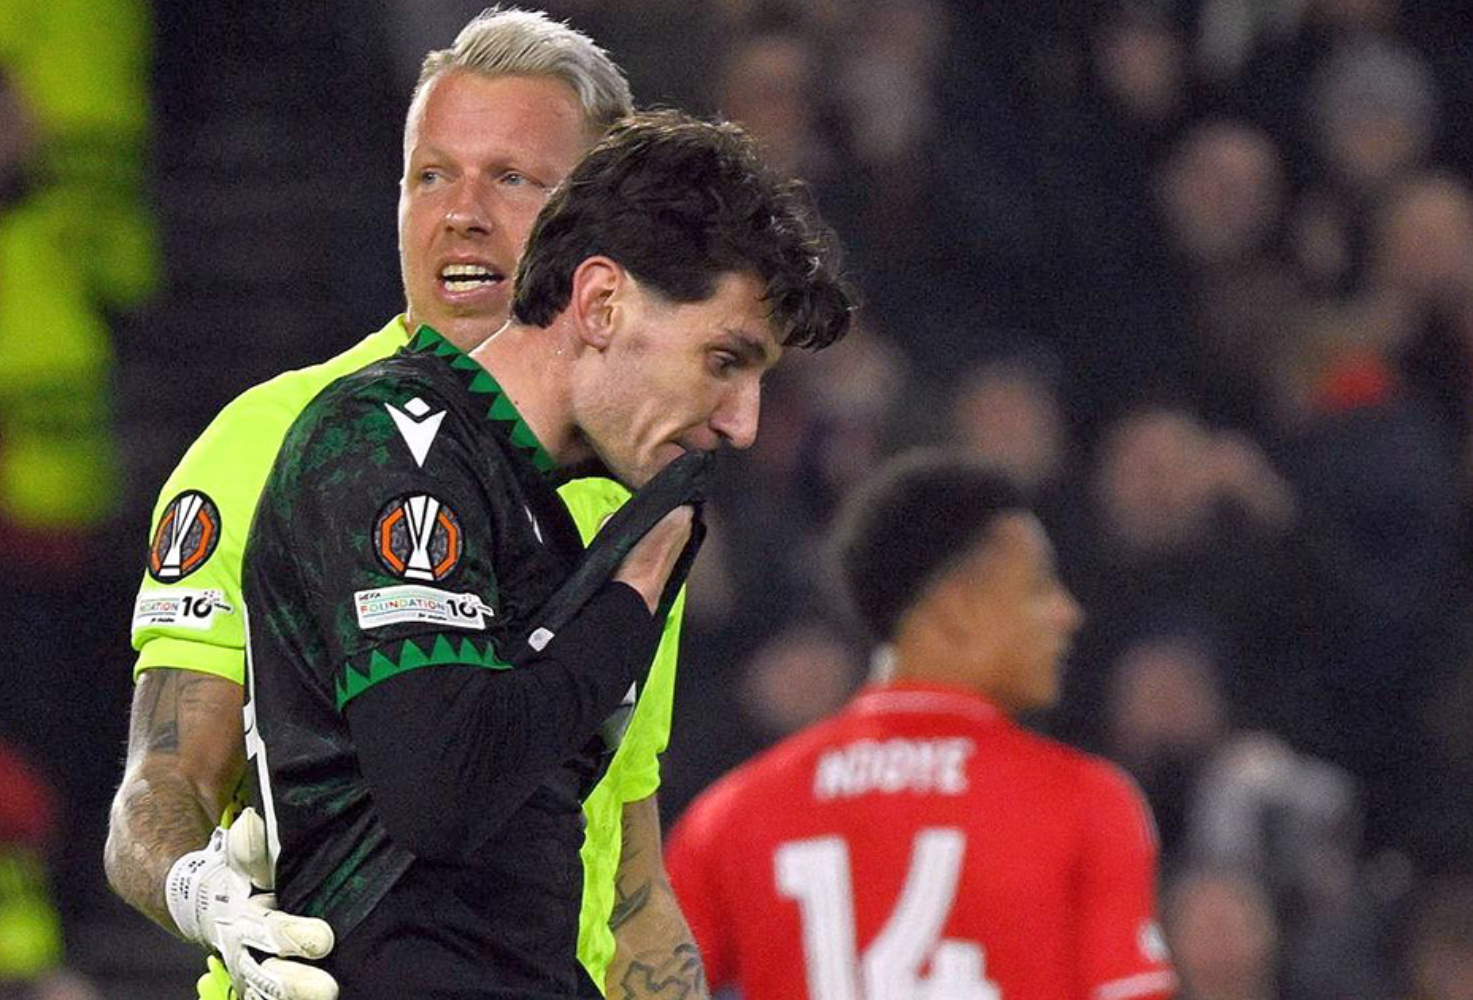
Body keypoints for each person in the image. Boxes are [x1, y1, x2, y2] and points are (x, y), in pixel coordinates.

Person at [102, 10, 709, 999]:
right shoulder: (269, 441)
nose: (461, 212)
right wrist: (195, 890)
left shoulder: (627, 488)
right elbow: (163, 779)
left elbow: (628, 870)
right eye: (431, 175)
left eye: (512, 179)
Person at [241, 109, 851, 998]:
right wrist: (630, 597)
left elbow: (508, 881)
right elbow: (442, 792)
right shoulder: (390, 442)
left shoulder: (545, 518)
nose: (742, 423)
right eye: (725, 361)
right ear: (600, 302)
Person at [664, 451, 1177, 1000]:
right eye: (1039, 587)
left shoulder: (729, 817)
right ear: (958, 607)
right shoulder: (1086, 803)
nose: (1066, 613)